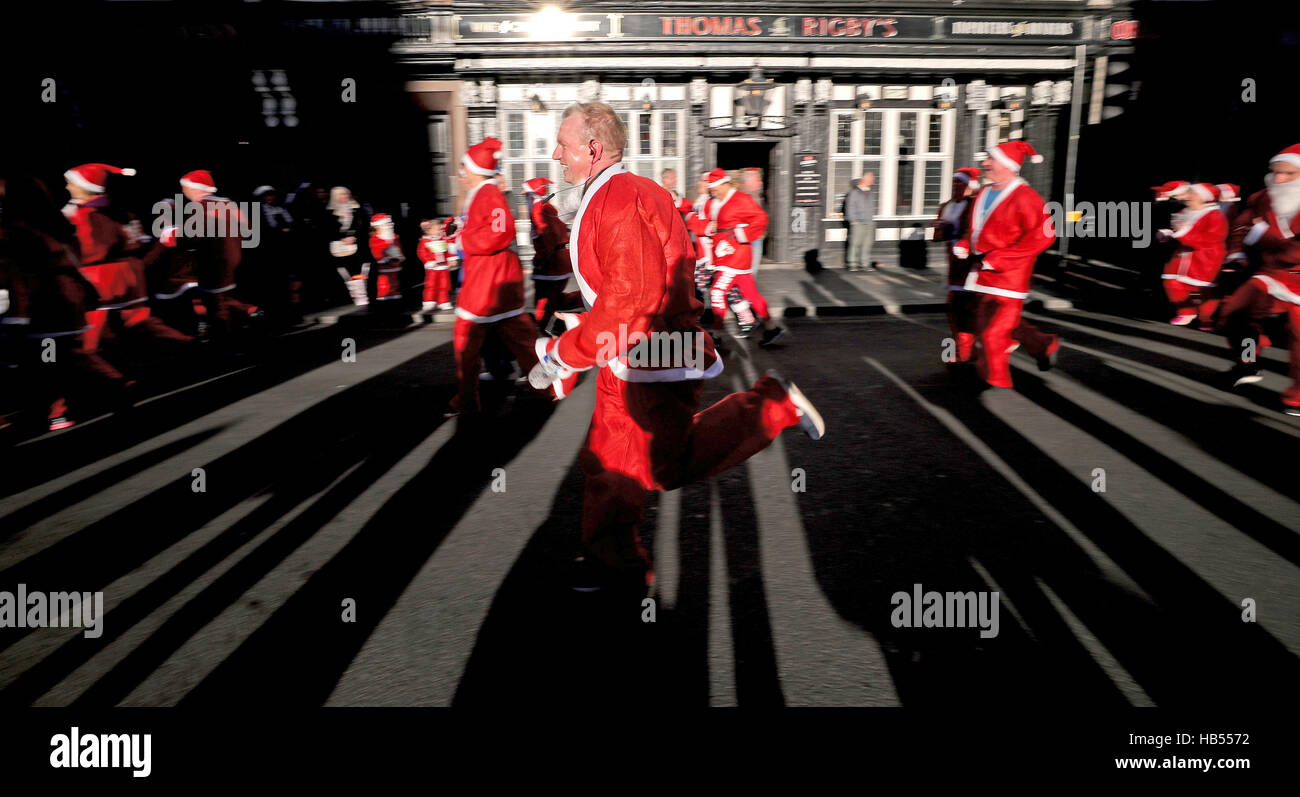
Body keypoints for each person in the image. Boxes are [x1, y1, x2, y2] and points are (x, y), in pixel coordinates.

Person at [528, 102, 825, 592]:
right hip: (635, 353)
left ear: (593, 148)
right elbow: (631, 287)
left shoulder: (618, 199)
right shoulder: (622, 192)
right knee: (609, 460)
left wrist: (564, 354)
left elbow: (630, 303)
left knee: (659, 465)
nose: (557, 154)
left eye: (564, 144)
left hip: (654, 353)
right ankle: (612, 561)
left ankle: (770, 407)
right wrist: (582, 314)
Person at [447, 137, 560, 417]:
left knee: (466, 342)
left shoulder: (488, 194)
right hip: (495, 282)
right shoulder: (484, 194)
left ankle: (468, 401)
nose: (460, 173)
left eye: (464, 167)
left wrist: (462, 241)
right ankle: (542, 388)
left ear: (473, 170)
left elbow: (500, 233)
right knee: (520, 340)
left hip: (487, 285)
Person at [953, 141, 1059, 389]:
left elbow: (1045, 235)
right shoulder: (983, 193)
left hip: (1010, 279)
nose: (985, 164)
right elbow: (975, 229)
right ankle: (1043, 344)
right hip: (982, 275)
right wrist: (965, 243)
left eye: (991, 159)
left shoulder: (1026, 197)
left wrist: (1000, 258)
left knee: (993, 335)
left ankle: (992, 381)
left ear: (1009, 165)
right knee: (997, 326)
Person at [1219, 143, 1300, 414]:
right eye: (1275, 172)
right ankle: (1248, 361)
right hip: (1273, 275)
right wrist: (1237, 252)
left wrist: (1266, 237)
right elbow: (1242, 227)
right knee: (1236, 313)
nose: (1279, 179)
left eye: (1289, 174)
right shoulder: (1261, 198)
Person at [703, 168, 785, 346]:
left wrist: (742, 234)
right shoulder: (720, 200)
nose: (713, 192)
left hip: (734, 256)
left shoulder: (741, 199)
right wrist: (713, 228)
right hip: (727, 255)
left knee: (717, 292)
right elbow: (725, 223)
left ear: (725, 184)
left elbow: (761, 218)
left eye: (715, 188)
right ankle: (772, 328)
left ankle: (716, 334)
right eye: (711, 189)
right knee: (751, 294)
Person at [1154, 183, 1227, 326]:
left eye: (1192, 194)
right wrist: (1168, 234)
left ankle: (1206, 317)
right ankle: (1186, 312)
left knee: (1201, 290)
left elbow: (1211, 239)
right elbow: (1177, 232)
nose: (1187, 197)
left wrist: (1184, 233)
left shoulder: (1215, 216)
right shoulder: (1183, 213)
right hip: (1182, 256)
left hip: (1205, 259)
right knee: (1172, 283)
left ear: (1204, 198)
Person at [933, 167, 981, 363]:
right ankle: (963, 351)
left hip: (971, 265)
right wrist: (939, 229)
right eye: (954, 183)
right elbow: (937, 235)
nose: (956, 187)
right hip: (953, 264)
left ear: (970, 187)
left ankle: (971, 349)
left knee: (968, 307)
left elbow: (976, 232)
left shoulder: (975, 206)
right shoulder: (947, 206)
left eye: (960, 183)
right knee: (955, 306)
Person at [523, 176, 571, 326]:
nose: (525, 198)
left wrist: (540, 260)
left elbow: (545, 235)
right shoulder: (547, 206)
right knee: (554, 299)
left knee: (543, 302)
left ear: (532, 195)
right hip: (560, 259)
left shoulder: (538, 209)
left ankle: (540, 332)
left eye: (526, 195)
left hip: (551, 262)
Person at [326, 186, 370, 306]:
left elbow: (363, 225)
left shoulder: (356, 209)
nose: (344, 197)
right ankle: (354, 295)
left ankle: (362, 296)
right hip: (339, 247)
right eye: (341, 194)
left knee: (360, 269)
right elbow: (326, 229)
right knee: (345, 271)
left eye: (346, 194)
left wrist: (354, 236)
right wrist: (341, 238)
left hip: (356, 245)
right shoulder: (329, 212)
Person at [417, 218, 455, 311]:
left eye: (440, 229)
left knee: (445, 285)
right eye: (437, 229)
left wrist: (451, 258)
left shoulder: (443, 240)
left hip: (443, 267)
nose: (439, 231)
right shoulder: (425, 241)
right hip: (433, 268)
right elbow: (422, 253)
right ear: (429, 231)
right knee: (431, 285)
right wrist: (429, 262)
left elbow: (448, 251)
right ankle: (429, 301)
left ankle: (443, 301)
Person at [843, 171, 877, 272]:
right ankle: (852, 263)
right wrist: (853, 220)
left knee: (867, 243)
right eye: (871, 178)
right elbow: (850, 206)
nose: (873, 180)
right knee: (855, 243)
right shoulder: (854, 192)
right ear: (865, 179)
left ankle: (865, 264)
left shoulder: (870, 192)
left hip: (869, 222)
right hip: (858, 222)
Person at [368, 213, 403, 306]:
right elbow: (375, 250)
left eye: (389, 223)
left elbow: (397, 247)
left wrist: (400, 256)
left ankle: (393, 292)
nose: (389, 226)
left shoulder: (394, 237)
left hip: (394, 263)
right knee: (383, 280)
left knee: (394, 279)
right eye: (385, 224)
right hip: (384, 264)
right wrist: (380, 258)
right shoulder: (376, 238)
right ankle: (383, 294)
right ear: (378, 227)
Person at [740, 167, 766, 272]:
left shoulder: (757, 196)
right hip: (750, 237)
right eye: (757, 180)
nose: (760, 183)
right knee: (749, 269)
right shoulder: (743, 198)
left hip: (757, 237)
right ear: (748, 183)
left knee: (752, 268)